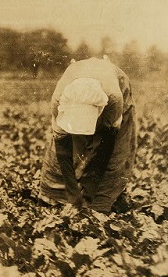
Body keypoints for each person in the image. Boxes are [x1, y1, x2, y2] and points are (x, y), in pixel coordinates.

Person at [38, 56, 137, 213]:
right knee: (57, 161)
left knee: (116, 155)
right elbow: (62, 148)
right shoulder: (59, 101)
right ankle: (56, 196)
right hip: (77, 81)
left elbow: (106, 147)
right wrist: (73, 194)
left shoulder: (113, 100)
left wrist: (88, 194)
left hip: (113, 86)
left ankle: (103, 201)